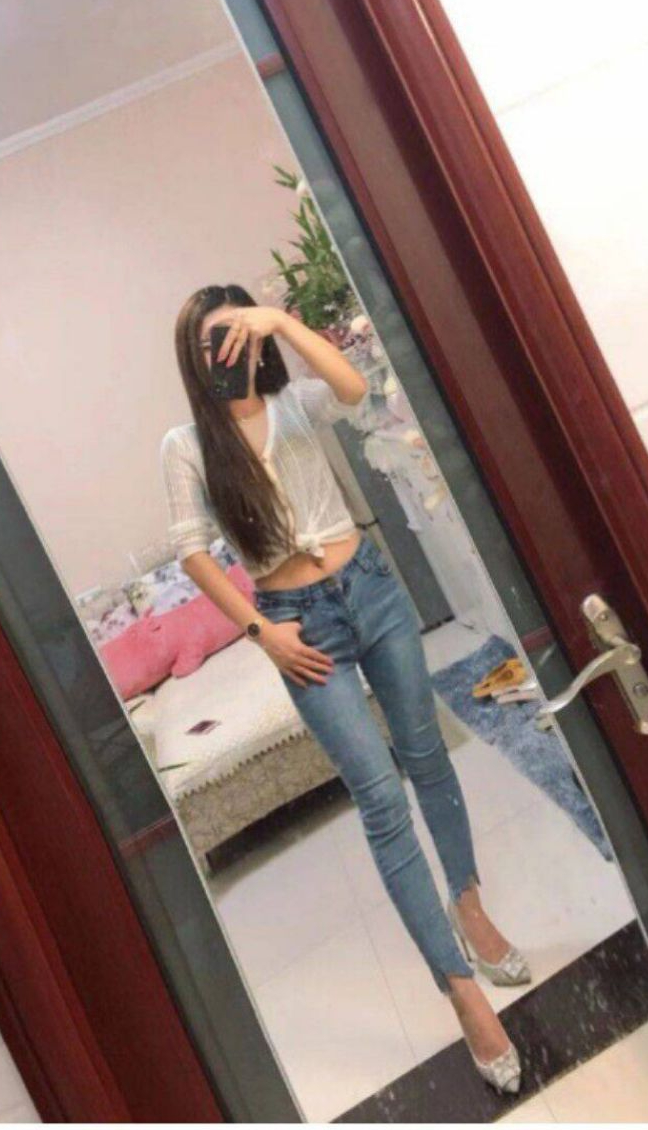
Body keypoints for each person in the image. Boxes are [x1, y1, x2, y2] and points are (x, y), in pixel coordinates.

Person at [160, 283, 529, 1096]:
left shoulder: (295, 406)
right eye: (211, 342)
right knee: (380, 798)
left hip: (371, 589)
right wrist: (260, 633)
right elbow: (190, 551)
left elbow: (355, 389)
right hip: (296, 625)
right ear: (192, 357)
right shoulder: (185, 445)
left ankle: (468, 907)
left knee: (426, 757)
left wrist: (281, 323)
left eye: (238, 334)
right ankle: (460, 990)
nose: (229, 352)